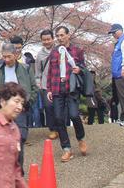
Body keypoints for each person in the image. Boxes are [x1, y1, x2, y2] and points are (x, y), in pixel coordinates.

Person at [0, 42, 36, 173]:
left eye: (9, 56)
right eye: (4, 56)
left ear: (15, 55)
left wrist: (27, 103)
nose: (6, 59)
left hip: (20, 108)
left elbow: (34, 88)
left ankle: (18, 171)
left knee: (19, 138)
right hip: (3, 109)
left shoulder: (25, 68)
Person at [46, 26, 88, 162]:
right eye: (57, 36)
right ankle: (66, 149)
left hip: (72, 88)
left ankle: (81, 138)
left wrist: (79, 70)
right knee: (58, 118)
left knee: (74, 115)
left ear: (68, 35)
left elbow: (84, 68)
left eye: (62, 35)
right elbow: (50, 72)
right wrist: (49, 89)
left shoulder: (77, 51)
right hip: (57, 88)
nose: (60, 38)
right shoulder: (54, 52)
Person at [34, 29, 59, 140]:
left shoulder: (59, 50)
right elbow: (38, 71)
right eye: (44, 40)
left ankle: (60, 128)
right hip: (45, 85)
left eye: (48, 39)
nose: (46, 42)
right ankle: (52, 129)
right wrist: (38, 84)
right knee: (48, 107)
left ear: (53, 39)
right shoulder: (40, 55)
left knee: (58, 107)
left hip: (58, 84)